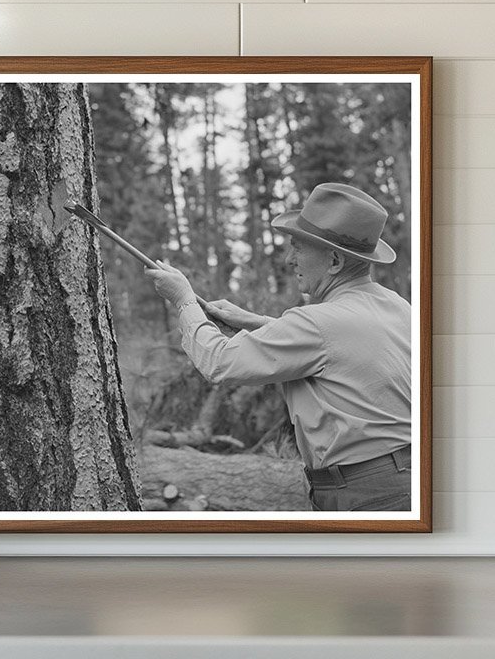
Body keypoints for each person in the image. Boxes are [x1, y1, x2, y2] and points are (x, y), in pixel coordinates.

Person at [145, 182, 411, 512]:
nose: (288, 259)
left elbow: (219, 363)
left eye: (298, 248)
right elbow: (339, 348)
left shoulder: (317, 322)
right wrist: (254, 321)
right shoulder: (397, 307)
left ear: (334, 261)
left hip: (364, 494)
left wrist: (184, 300)